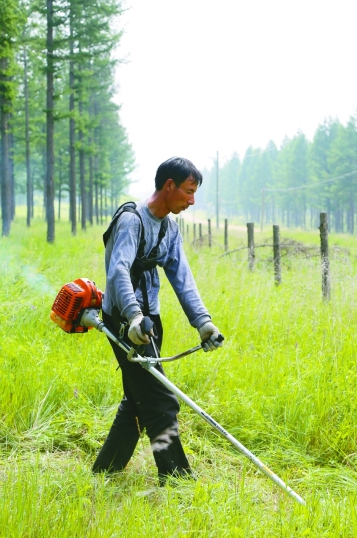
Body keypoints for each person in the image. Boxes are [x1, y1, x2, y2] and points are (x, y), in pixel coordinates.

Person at [93, 156, 224, 483]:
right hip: (125, 322)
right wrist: (134, 317)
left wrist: (203, 322)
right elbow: (118, 270)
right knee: (162, 399)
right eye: (188, 192)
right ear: (169, 186)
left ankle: (105, 470)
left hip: (150, 322)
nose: (192, 200)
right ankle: (177, 479)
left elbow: (183, 278)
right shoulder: (131, 221)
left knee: (139, 399)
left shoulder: (168, 229)